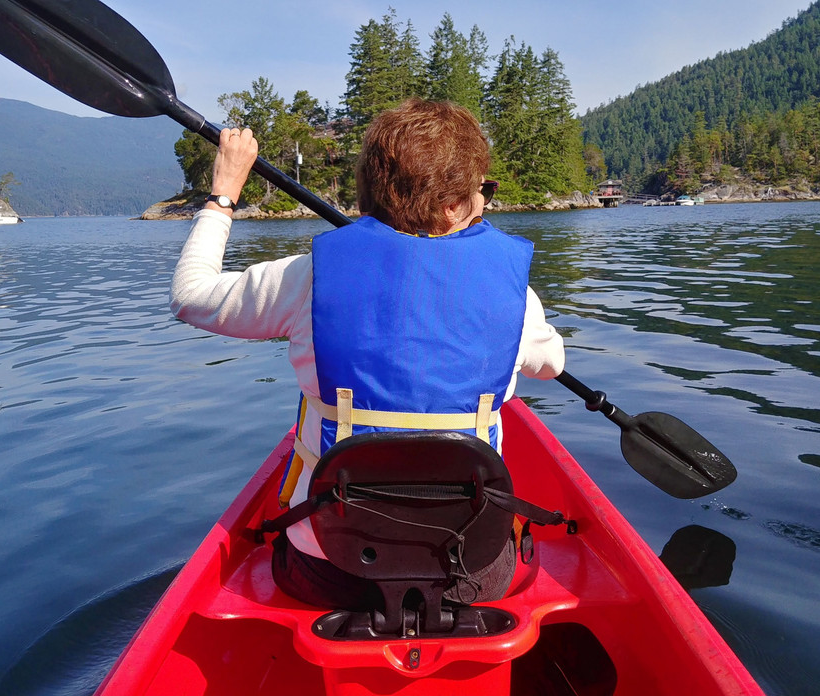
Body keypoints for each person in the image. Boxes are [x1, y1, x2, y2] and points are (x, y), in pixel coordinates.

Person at [170, 98, 565, 608]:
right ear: (452, 207)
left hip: (328, 571)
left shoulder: (305, 278)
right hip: (471, 577)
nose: (485, 203)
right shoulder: (517, 300)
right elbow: (552, 365)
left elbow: (189, 296)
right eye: (482, 191)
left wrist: (223, 196)